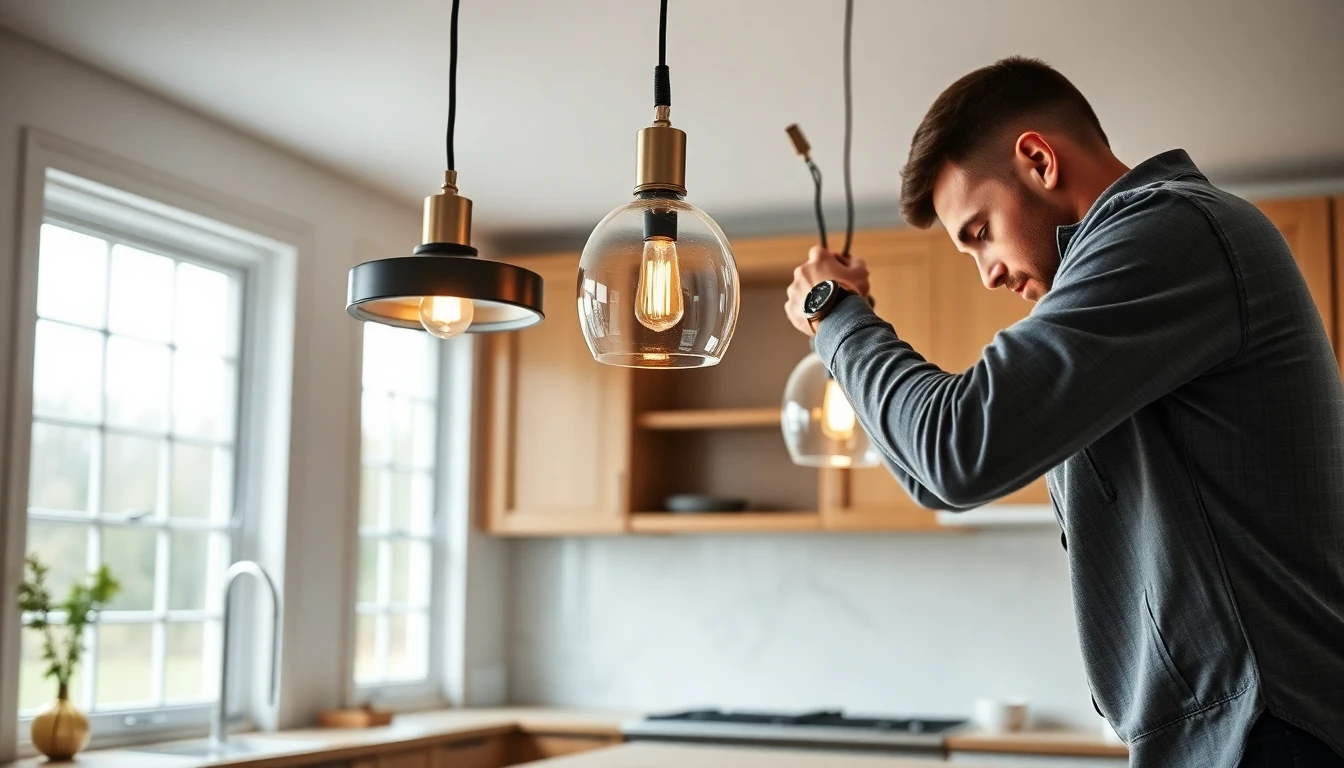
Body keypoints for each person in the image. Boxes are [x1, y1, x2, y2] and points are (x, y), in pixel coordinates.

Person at [784, 56, 1344, 768]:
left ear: (1039, 161)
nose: (987, 273)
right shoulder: (1140, 268)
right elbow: (936, 477)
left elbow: (956, 448)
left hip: (1268, 730)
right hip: (1237, 732)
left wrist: (834, 315)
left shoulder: (1172, 231)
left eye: (980, 232)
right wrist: (849, 329)